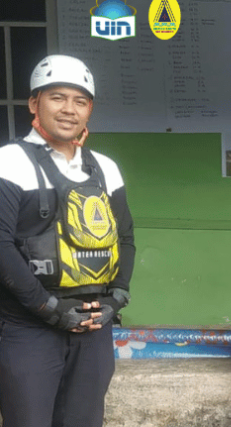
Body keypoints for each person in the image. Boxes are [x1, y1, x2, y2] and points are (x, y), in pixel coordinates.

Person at [0, 55, 135, 427]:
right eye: (57, 97)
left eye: (80, 101)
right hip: (30, 327)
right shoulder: (9, 162)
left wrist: (116, 298)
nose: (69, 109)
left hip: (93, 327)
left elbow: (125, 237)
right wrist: (48, 308)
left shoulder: (105, 168)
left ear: (89, 110)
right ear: (34, 103)